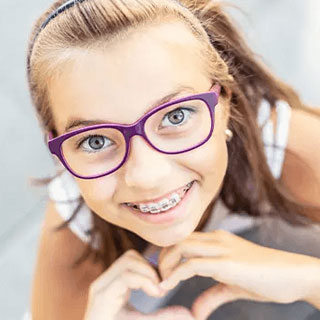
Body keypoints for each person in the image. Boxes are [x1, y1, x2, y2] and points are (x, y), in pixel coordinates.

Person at [26, 0, 320, 319]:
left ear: (225, 101)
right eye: (95, 140)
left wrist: (308, 280)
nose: (146, 175)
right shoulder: (75, 211)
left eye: (177, 116)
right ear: (56, 146)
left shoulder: (297, 151)